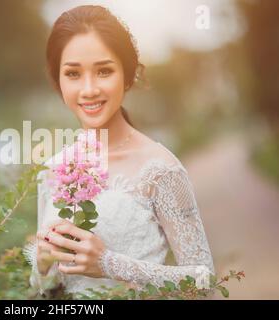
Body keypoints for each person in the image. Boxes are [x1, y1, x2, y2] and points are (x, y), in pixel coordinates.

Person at [23, 5, 214, 297]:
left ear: (127, 75)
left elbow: (204, 281)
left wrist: (108, 263)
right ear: (58, 81)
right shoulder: (53, 170)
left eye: (103, 71)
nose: (88, 89)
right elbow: (43, 288)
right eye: (73, 74)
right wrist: (43, 262)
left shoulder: (160, 169)